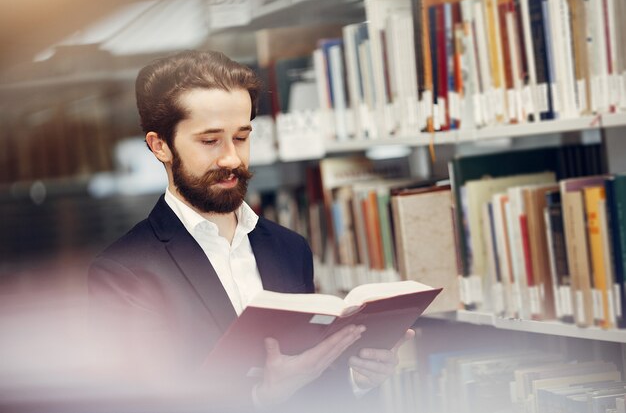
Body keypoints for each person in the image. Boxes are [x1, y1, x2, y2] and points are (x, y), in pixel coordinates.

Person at [88, 50, 414, 412]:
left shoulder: (290, 249)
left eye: (241, 137)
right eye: (210, 141)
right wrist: (262, 397)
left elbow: (313, 385)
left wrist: (358, 381)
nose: (232, 159)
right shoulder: (124, 272)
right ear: (160, 145)